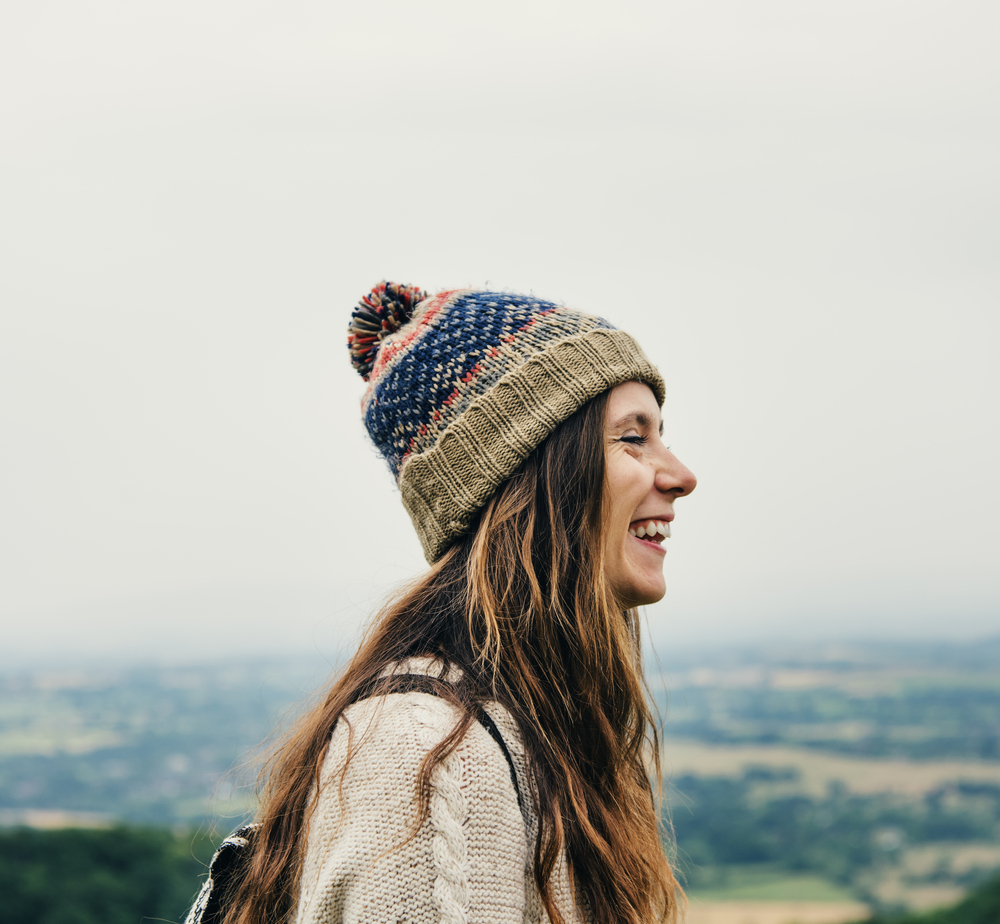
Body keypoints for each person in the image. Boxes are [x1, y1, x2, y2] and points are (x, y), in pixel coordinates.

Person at [222, 282, 696, 924]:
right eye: (632, 439)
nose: (680, 475)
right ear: (532, 477)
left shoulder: (531, 727)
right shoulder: (433, 753)